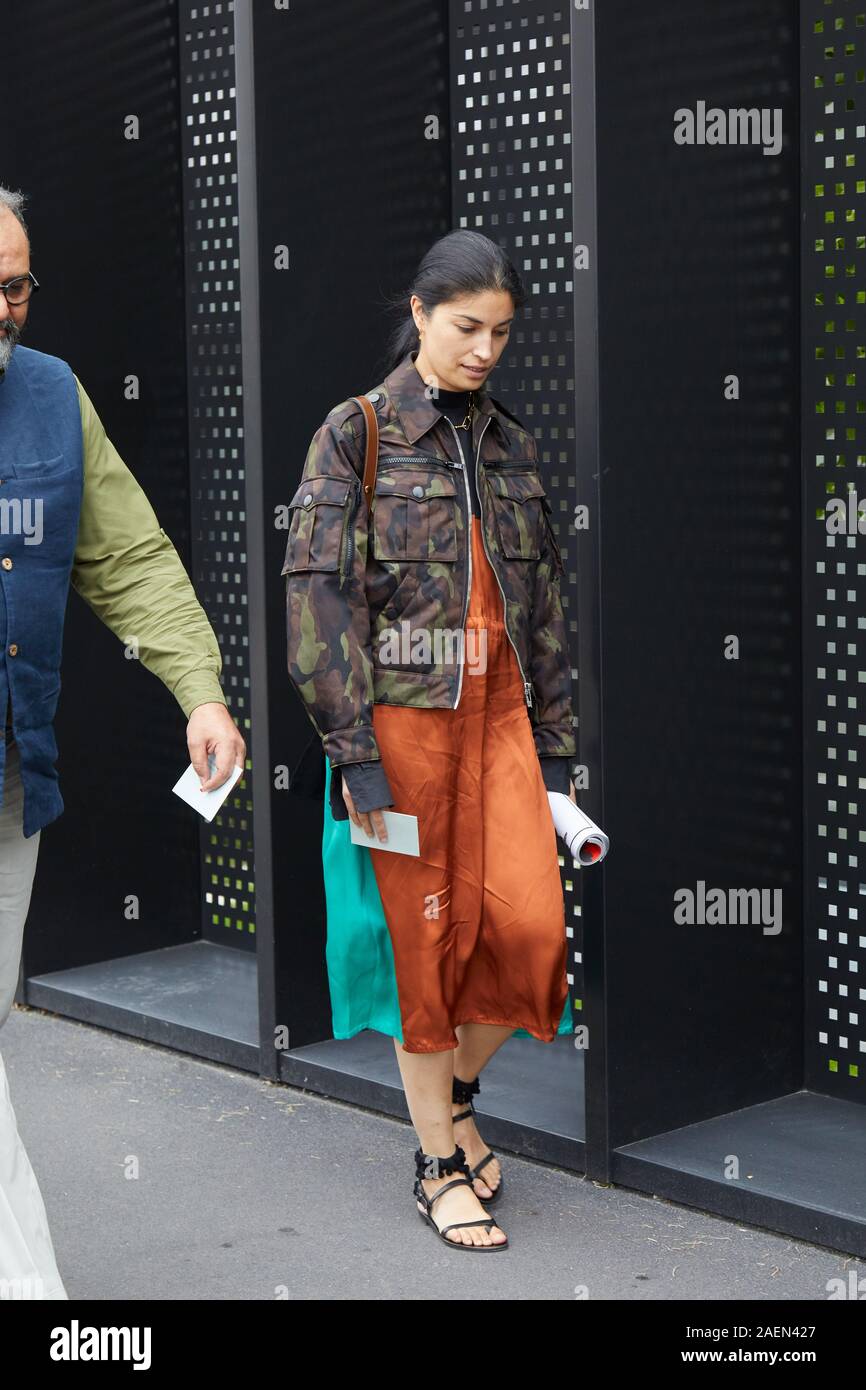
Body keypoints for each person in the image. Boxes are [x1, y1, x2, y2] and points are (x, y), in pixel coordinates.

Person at [282, 229, 578, 1252]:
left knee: (532, 942)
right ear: (418, 314)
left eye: (500, 332)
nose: (484, 348)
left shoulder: (509, 444)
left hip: (500, 729)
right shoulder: (355, 433)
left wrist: (559, 750)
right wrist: (352, 753)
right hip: (402, 732)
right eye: (465, 327)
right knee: (426, 955)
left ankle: (450, 1096)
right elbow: (314, 606)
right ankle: (436, 1162)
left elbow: (542, 608)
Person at [0, 187, 246, 1297]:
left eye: (15, 286)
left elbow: (128, 555)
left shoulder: (52, 396)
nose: (4, 310)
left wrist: (198, 691)